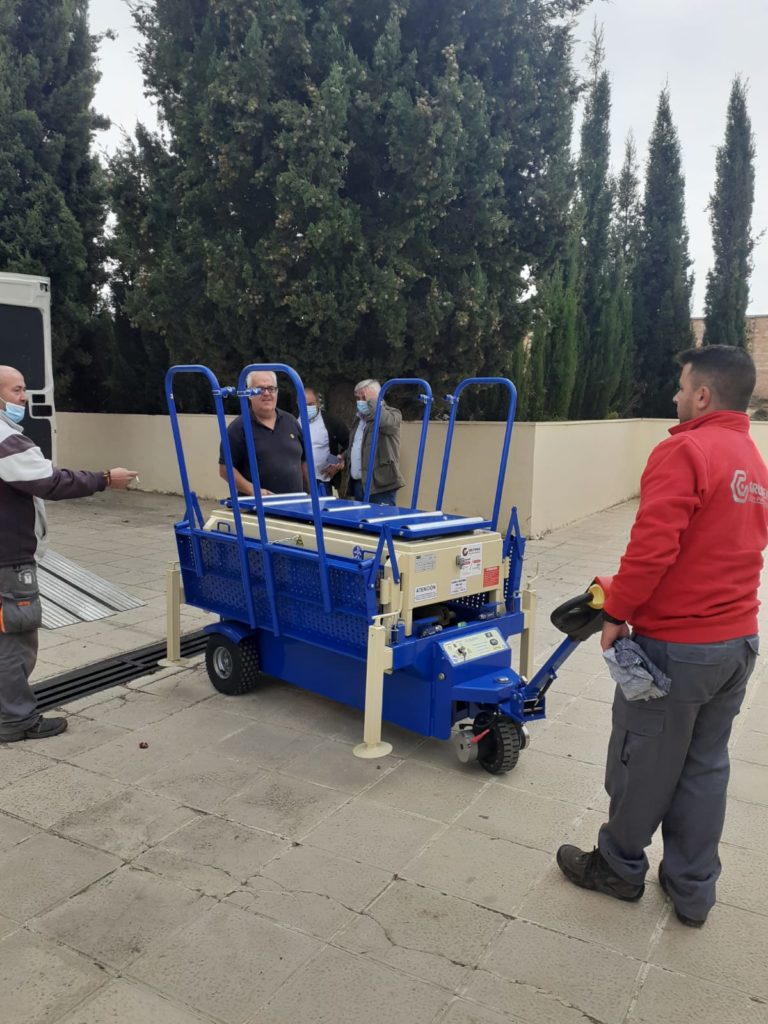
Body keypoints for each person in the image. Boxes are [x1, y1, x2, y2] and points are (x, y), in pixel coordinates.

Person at [557, 345, 768, 928]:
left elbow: (652, 551)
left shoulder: (686, 449)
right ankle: (692, 888)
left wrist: (616, 611)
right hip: (737, 644)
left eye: (682, 387)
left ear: (703, 395)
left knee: (641, 762)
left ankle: (618, 868)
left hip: (678, 648)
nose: (675, 397)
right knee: (704, 765)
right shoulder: (750, 458)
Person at [0, 365, 138, 743]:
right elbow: (51, 482)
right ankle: (15, 720)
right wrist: (107, 478)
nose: (24, 398)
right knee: (16, 639)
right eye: (16, 391)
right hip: (8, 560)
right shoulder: (6, 440)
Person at [218, 369, 308, 496]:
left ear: (277, 392)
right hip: (257, 509)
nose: (266, 393)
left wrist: (312, 496)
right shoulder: (238, 428)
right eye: (259, 389)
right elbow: (225, 469)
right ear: (249, 394)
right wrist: (253, 490)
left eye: (271, 388)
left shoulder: (291, 421)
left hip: (295, 505)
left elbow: (304, 461)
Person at [345, 378, 404, 505]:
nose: (361, 402)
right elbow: (358, 445)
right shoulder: (359, 419)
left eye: (364, 397)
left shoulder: (393, 414)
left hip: (380, 485)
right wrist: (344, 456)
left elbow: (387, 424)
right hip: (358, 483)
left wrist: (373, 401)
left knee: (382, 521)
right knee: (360, 523)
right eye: (358, 398)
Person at [303, 387, 348, 494]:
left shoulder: (331, 421)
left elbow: (349, 443)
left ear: (318, 404)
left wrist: (335, 464)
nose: (307, 408)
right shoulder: (293, 422)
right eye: (303, 404)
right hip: (302, 481)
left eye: (311, 404)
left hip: (324, 480)